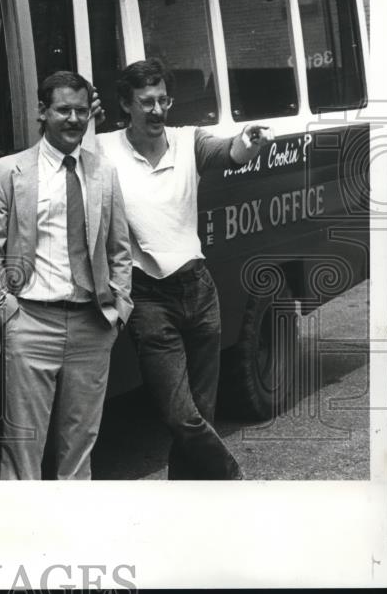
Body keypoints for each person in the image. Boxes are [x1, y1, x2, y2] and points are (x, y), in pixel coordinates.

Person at [95, 58, 270, 480]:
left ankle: (188, 502)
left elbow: (227, 152)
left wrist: (247, 142)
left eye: (163, 100)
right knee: (180, 413)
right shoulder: (103, 149)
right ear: (125, 104)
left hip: (199, 289)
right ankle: (231, 476)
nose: (157, 111)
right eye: (146, 102)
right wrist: (84, 121)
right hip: (149, 297)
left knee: (202, 410)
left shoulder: (187, 141)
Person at [0, 71, 133, 480]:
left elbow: (119, 248)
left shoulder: (103, 173)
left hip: (92, 324)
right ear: (42, 113)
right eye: (63, 110)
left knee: (80, 444)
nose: (73, 119)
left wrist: (120, 309)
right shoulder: (6, 173)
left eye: (82, 111)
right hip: (29, 322)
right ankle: (23, 534)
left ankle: (70, 534)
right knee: (23, 446)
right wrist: (6, 313)